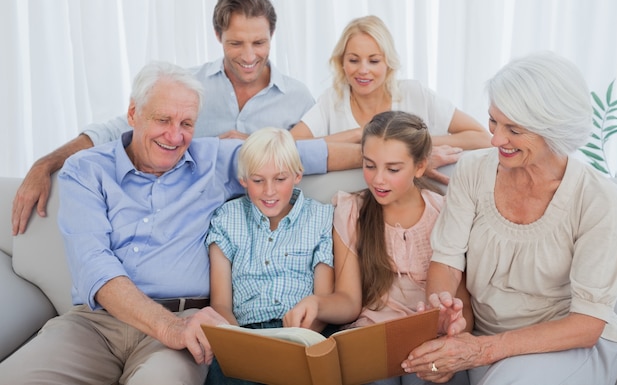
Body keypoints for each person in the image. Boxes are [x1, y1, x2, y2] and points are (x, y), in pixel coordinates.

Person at [0, 61, 359, 385]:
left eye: (186, 124)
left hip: (185, 327)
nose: (175, 137)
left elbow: (304, 156)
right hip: (96, 325)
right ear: (133, 113)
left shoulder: (211, 160)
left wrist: (393, 157)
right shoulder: (86, 170)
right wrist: (44, 163)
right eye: (163, 120)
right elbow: (94, 264)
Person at [12, 0, 315, 235]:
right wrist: (45, 164)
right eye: (236, 43)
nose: (249, 56)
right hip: (190, 231)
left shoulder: (298, 98)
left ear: (272, 37)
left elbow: (312, 159)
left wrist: (251, 147)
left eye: (259, 43)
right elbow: (115, 131)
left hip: (262, 235)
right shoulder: (188, 87)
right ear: (217, 36)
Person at [402, 52, 617, 385]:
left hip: (567, 346)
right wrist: (444, 313)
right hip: (484, 339)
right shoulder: (473, 170)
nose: (495, 139)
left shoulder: (597, 198)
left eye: (514, 129)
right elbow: (447, 261)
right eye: (493, 121)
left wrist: (481, 351)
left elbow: (587, 324)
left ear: (554, 129)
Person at [286, 111, 471, 385]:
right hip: (371, 339)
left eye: (393, 169)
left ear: (420, 166)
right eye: (369, 165)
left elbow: (463, 303)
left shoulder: (443, 212)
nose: (378, 180)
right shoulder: (352, 212)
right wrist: (317, 303)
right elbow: (349, 301)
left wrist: (456, 331)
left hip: (428, 339)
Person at [289, 15, 492, 184]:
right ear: (342, 62)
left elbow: (482, 137)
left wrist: (411, 144)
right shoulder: (332, 101)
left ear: (389, 63)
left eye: (374, 60)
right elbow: (288, 148)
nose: (363, 70)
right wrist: (357, 134)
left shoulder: (414, 93)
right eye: (353, 60)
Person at [205, 127, 335, 384]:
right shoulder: (227, 218)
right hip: (244, 333)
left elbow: (322, 300)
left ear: (298, 175)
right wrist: (240, 343)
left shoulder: (320, 218)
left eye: (280, 179)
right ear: (243, 180)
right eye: (257, 180)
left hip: (302, 333)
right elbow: (220, 304)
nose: (269, 191)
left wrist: (295, 339)